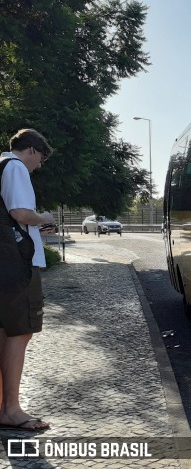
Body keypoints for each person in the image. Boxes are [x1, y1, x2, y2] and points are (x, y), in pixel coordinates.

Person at [0, 128, 55, 431]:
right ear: (32, 150)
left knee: (5, 332)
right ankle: (11, 409)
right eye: (41, 160)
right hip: (18, 266)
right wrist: (44, 217)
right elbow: (20, 212)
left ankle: (4, 406)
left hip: (5, 263)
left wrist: (35, 229)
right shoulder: (16, 167)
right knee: (21, 332)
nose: (38, 166)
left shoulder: (1, 165)